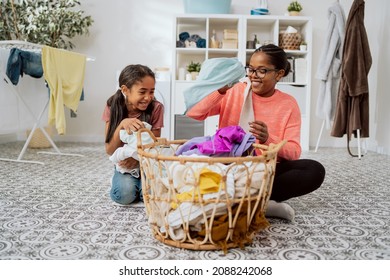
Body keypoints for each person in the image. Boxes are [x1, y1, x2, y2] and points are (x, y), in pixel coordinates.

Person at [186, 44, 326, 221]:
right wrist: (220, 91)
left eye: (262, 71)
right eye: (251, 69)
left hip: (263, 170)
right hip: (228, 165)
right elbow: (194, 113)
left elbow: (293, 151)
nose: (253, 76)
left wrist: (268, 139)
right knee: (194, 164)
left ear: (279, 74)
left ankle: (236, 199)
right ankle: (258, 202)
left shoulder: (288, 104)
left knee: (314, 170)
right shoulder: (234, 91)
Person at [102, 64, 164, 205]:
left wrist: (137, 160)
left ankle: (140, 185)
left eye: (151, 92)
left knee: (153, 196)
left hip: (148, 162)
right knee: (124, 195)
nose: (148, 98)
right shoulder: (112, 106)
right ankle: (123, 180)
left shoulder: (156, 108)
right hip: (124, 165)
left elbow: (154, 145)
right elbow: (110, 150)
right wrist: (122, 124)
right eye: (142, 92)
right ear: (125, 90)